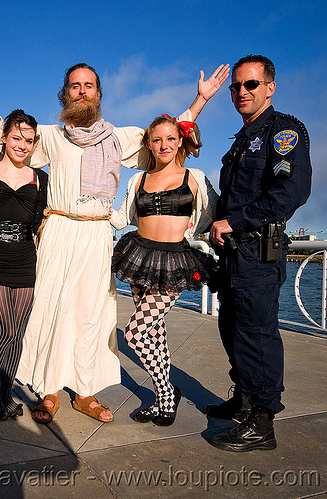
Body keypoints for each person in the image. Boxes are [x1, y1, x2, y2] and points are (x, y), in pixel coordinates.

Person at [0, 54, 229, 424]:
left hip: (97, 234)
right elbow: (7, 135)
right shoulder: (50, 137)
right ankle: (49, 390)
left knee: (90, 314)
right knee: (50, 309)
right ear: (64, 94)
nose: (81, 91)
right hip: (58, 231)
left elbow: (167, 136)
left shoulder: (119, 138)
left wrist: (200, 101)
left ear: (98, 94)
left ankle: (84, 392)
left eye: (88, 86)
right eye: (75, 86)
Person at [207, 55, 312, 451]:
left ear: (270, 87)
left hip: (258, 252)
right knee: (231, 328)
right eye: (236, 87)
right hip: (232, 254)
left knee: (256, 333)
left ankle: (262, 422)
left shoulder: (284, 131)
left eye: (250, 84)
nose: (241, 93)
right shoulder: (240, 141)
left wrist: (235, 223)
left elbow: (291, 193)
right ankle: (245, 399)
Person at [110, 115, 217, 425]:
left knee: (134, 333)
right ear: (149, 145)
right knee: (155, 334)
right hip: (140, 258)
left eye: (171, 138)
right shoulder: (137, 180)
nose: (164, 145)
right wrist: (80, 213)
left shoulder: (193, 176)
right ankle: (162, 399)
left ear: (180, 141)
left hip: (173, 263)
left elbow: (211, 214)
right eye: (156, 140)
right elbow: (120, 218)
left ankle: (168, 394)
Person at [0, 109, 47, 421]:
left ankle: (3, 396)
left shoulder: (40, 179)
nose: (22, 145)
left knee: (17, 333)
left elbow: (43, 222)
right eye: (17, 137)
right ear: (3, 138)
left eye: (29, 140)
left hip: (24, 259)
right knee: (5, 329)